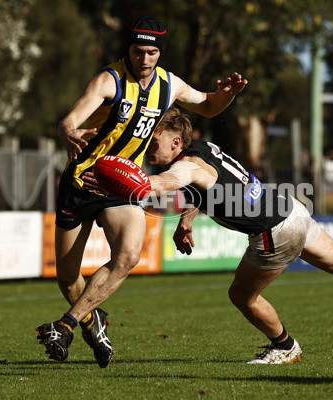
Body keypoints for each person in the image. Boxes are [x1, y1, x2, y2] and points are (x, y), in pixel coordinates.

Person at [84, 107, 333, 364]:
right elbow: (208, 184)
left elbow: (169, 182)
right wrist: (186, 221)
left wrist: (119, 184)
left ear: (177, 143)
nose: (150, 147)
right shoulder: (204, 151)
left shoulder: (185, 164)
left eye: (156, 141)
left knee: (241, 295)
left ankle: (286, 347)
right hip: (289, 208)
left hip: (272, 232)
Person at [35, 16, 248, 368]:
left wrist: (227, 96)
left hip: (122, 182)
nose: (144, 59)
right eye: (138, 51)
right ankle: (93, 321)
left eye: (151, 52)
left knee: (129, 255)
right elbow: (71, 119)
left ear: (159, 52)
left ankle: (66, 325)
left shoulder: (170, 85)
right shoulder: (109, 80)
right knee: (68, 278)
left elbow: (208, 105)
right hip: (82, 181)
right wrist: (66, 131)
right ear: (129, 49)